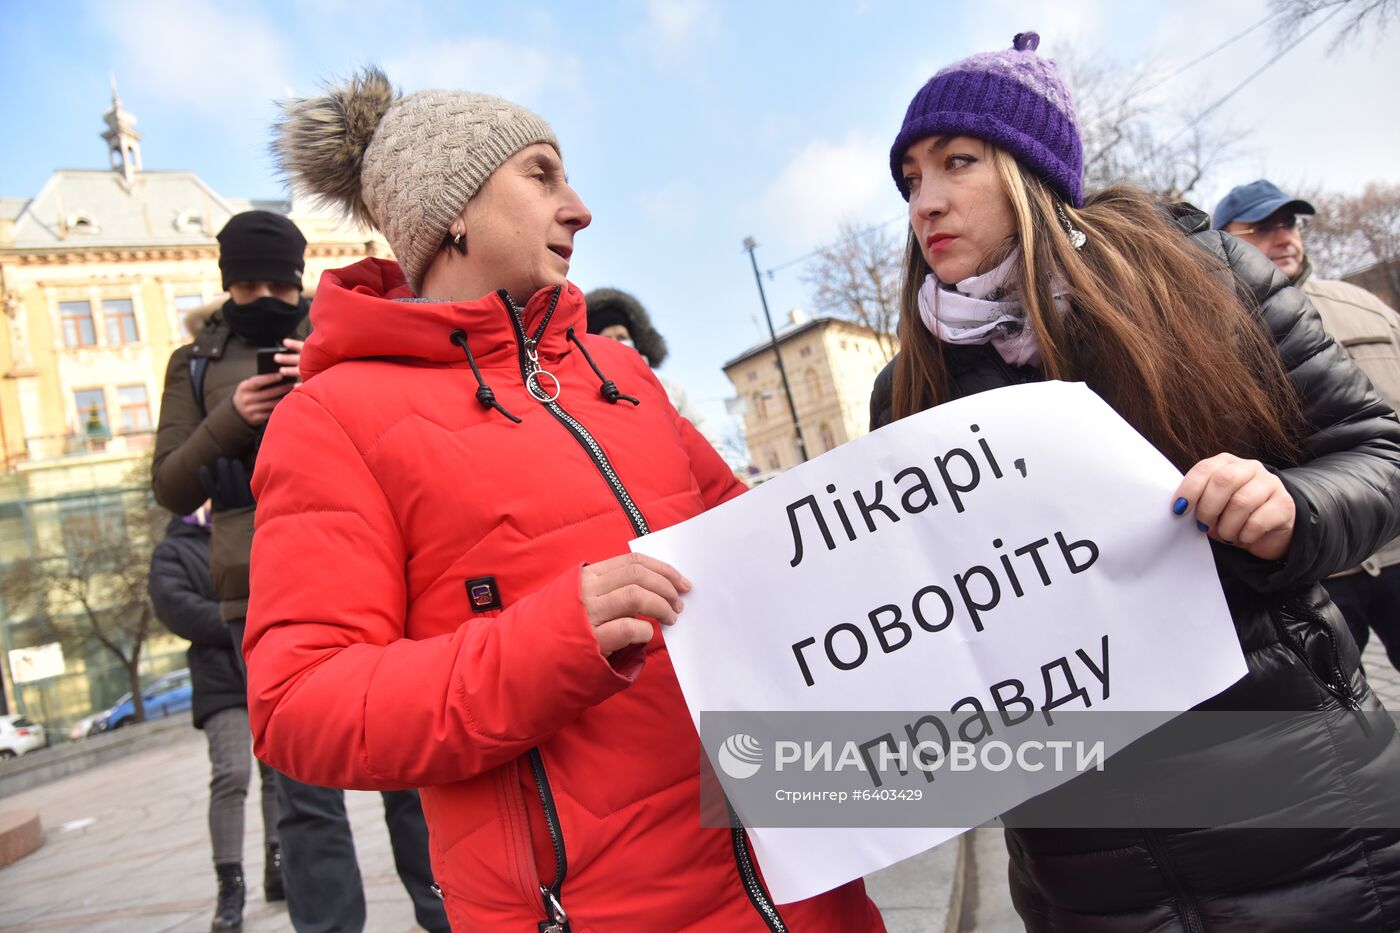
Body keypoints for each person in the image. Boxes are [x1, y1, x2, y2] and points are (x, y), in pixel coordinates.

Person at [247, 65, 885, 931]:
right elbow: (298, 702)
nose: (579, 206)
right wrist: (550, 640)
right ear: (455, 212)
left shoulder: (618, 371)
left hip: (805, 887)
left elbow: (768, 545)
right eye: (542, 175)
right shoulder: (331, 418)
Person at [870, 32, 1400, 932]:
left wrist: (1293, 510)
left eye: (957, 162)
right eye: (911, 179)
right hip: (1089, 869)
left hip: (1309, 814)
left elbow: (1377, 453)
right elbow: (924, 610)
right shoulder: (908, 391)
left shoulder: (1204, 281)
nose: (927, 200)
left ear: (1035, 173)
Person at [151, 211, 448, 933]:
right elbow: (169, 486)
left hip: (367, 567)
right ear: (226, 284)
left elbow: (395, 425)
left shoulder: (339, 330)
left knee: (408, 772)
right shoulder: (193, 360)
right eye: (247, 284)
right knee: (303, 789)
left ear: (298, 278)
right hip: (258, 592)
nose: (264, 296)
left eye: (278, 283)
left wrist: (319, 368)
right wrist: (229, 419)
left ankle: (446, 916)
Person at [1214, 179, 1400, 673]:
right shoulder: (1207, 331)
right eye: (1260, 227)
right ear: (1222, 239)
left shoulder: (1364, 306)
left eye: (1288, 224)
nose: (1282, 237)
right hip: (1318, 568)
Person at [148, 505, 281, 931]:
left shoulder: (246, 522)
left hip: (262, 665)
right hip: (219, 678)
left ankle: (279, 864)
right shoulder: (172, 550)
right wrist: (237, 622)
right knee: (231, 775)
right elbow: (174, 606)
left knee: (278, 772)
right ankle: (231, 886)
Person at [585, 287, 711, 432]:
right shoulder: (589, 392)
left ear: (634, 341)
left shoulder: (669, 388)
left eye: (622, 337)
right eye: (607, 339)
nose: (616, 343)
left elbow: (701, 431)